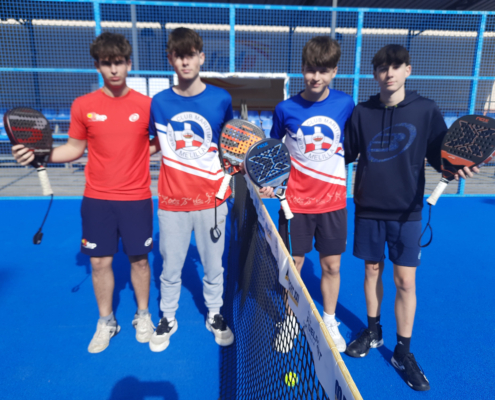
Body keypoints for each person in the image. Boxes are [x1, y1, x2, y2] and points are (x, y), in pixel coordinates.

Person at [12, 32, 159, 353]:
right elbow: (74, 149)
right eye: (106, 63)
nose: (113, 69)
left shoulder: (147, 106)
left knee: (139, 261)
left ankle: (143, 315)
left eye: (119, 62)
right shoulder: (83, 105)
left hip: (136, 198)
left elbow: (158, 143)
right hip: (97, 199)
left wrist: (134, 156)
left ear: (129, 63)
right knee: (99, 263)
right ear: (97, 66)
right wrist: (39, 155)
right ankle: (106, 321)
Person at [344, 44, 477, 391]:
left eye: (395, 66)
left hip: (407, 212)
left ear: (408, 70)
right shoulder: (362, 112)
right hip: (368, 209)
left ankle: (402, 351)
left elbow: (440, 156)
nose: (388, 73)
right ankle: (373, 331)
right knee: (371, 271)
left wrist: (458, 166)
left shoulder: (426, 110)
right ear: (375, 74)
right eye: (381, 68)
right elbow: (343, 153)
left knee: (405, 281)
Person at [148, 27, 234, 352]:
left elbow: (229, 143)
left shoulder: (221, 99)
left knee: (213, 266)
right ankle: (168, 317)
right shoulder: (158, 103)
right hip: (172, 202)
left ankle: (214, 313)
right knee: (170, 267)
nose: (185, 62)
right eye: (178, 56)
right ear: (171, 59)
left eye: (191, 55)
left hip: (213, 201)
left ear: (201, 58)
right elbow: (151, 143)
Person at [268, 36, 354, 353]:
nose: (316, 77)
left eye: (323, 70)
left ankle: (329, 320)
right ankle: (290, 320)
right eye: (310, 69)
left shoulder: (346, 104)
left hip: (333, 204)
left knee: (332, 267)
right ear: (302, 68)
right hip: (295, 205)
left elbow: (352, 146)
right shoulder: (285, 109)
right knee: (293, 267)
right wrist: (271, 181)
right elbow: (273, 153)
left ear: (334, 71)